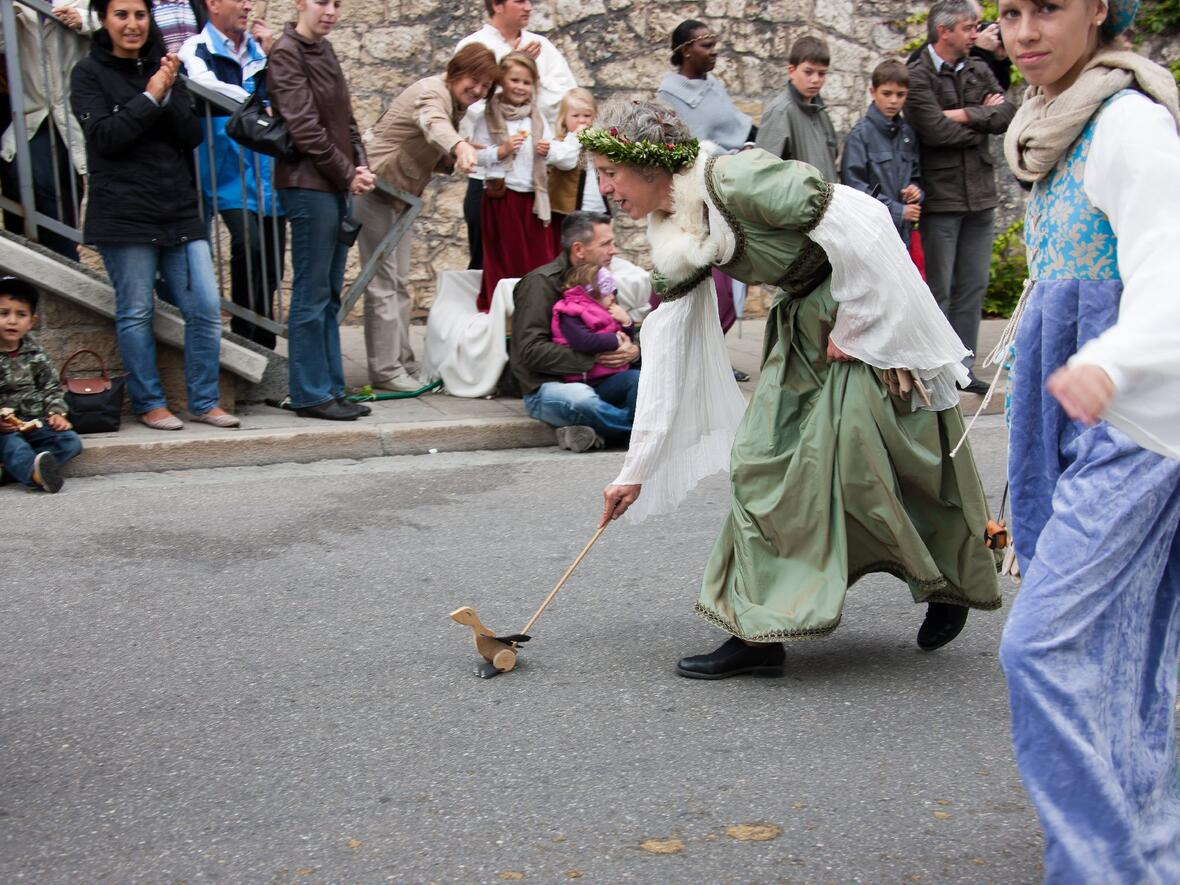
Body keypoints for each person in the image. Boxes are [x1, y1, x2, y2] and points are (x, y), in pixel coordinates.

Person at [583, 100, 1001, 677]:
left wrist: (859, 322)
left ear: (650, 165)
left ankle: (951, 583)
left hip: (863, 313)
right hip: (803, 330)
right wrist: (635, 469)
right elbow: (668, 346)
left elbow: (865, 220)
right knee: (760, 463)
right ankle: (758, 635)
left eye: (611, 172)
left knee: (890, 459)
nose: (605, 188)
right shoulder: (677, 228)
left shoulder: (735, 179)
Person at [994, 0, 1180, 879]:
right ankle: (1147, 848)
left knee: (1044, 646)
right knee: (1124, 651)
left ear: (1100, 9)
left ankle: (1103, 865)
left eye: (1049, 7)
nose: (1026, 31)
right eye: (1010, 11)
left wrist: (1112, 360)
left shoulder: (1128, 124)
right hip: (1080, 407)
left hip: (1136, 421)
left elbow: (1171, 269)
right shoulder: (1053, 121)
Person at [71, 0, 240, 431]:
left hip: (178, 209)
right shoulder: (88, 73)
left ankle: (204, 401)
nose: (132, 24)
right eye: (121, 15)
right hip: (124, 213)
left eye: (140, 15)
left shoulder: (166, 67)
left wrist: (168, 92)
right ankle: (150, 403)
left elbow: (190, 135)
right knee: (135, 312)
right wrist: (150, 97)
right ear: (104, 20)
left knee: (205, 307)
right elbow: (105, 138)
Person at [355, 43, 499, 392]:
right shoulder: (432, 92)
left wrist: (468, 149)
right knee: (383, 284)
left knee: (399, 282)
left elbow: (433, 143)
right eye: (474, 80)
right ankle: (386, 371)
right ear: (457, 71)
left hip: (399, 199)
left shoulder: (454, 104)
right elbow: (432, 123)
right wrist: (459, 146)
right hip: (374, 190)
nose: (478, 90)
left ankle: (401, 362)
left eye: (485, 86)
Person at [267, 0, 375, 421]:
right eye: (321, 2)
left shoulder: (323, 49)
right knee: (311, 294)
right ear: (300, 4)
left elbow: (346, 120)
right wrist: (348, 173)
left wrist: (359, 164)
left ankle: (331, 388)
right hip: (307, 184)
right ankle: (310, 393)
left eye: (336, 4)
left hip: (334, 183)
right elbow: (305, 129)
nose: (329, 11)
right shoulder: (286, 52)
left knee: (328, 293)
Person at [906, 0, 1016, 395]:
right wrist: (979, 117)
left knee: (973, 286)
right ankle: (938, 366)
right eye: (970, 28)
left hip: (980, 195)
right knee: (940, 288)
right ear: (944, 31)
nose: (977, 35)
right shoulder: (917, 75)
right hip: (942, 198)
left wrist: (960, 114)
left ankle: (963, 368)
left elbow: (1006, 114)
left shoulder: (978, 67)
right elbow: (933, 130)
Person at [179, 0, 284, 349]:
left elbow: (288, 95)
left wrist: (273, 53)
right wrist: (259, 106)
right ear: (212, 4)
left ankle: (262, 339)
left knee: (272, 264)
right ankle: (245, 335)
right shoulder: (196, 47)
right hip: (227, 172)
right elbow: (206, 86)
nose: (247, 6)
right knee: (248, 245)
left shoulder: (260, 50)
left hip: (268, 171)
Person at [455, 0, 577, 270]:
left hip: (534, 180)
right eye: (520, 0)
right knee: (488, 258)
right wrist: (509, 66)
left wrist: (527, 76)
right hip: (490, 179)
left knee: (536, 259)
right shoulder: (474, 45)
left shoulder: (543, 47)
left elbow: (566, 99)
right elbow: (469, 103)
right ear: (497, 5)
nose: (529, 7)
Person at [510, 211, 639, 453]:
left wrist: (632, 351)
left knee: (642, 381)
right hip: (550, 387)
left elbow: (615, 329)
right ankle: (642, 436)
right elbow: (530, 351)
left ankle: (596, 432)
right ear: (579, 249)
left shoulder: (601, 280)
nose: (614, 251)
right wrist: (593, 359)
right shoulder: (540, 283)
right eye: (606, 244)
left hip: (603, 380)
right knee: (582, 400)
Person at [0, 1, 93, 261]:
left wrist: (83, 19)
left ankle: (61, 262)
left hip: (75, 115)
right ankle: (50, 262)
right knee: (25, 178)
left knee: (63, 195)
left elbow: (117, 21)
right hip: (31, 114)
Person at [470, 51, 558, 313]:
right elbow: (475, 156)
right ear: (502, 81)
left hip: (534, 199)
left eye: (526, 82)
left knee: (538, 257)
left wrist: (548, 150)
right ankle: (505, 309)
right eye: (514, 80)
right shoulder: (487, 117)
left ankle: (536, 307)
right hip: (503, 197)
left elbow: (552, 151)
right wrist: (502, 150)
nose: (520, 87)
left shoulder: (537, 118)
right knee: (506, 257)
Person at [0, 277, 83, 493]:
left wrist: (56, 413)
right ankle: (35, 475)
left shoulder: (36, 354)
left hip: (35, 422)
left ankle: (11, 472)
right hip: (5, 429)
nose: (12, 321)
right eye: (4, 313)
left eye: (21, 315)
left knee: (70, 442)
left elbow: (51, 387)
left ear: (31, 321)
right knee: (13, 445)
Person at [840, 59, 923, 242]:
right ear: (873, 92)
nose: (893, 101)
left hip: (902, 233)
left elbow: (916, 176)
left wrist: (915, 191)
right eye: (886, 93)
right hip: (871, 233)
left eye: (900, 95)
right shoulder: (860, 135)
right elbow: (854, 189)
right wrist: (898, 211)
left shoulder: (907, 133)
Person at [656, 20, 755, 153]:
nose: (714, 52)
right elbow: (693, 147)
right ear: (686, 50)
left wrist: (749, 145)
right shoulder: (669, 96)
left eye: (714, 46)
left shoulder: (711, 83)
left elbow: (739, 126)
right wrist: (734, 157)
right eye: (707, 46)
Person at [754, 35, 839, 181]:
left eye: (822, 73)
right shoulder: (780, 112)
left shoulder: (821, 113)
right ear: (791, 71)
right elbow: (763, 174)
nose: (815, 80)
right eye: (808, 72)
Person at [550, 264, 639, 402]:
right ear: (593, 292)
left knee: (645, 379)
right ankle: (630, 416)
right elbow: (584, 342)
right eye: (608, 291)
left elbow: (627, 339)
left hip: (614, 374)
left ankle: (633, 414)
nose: (613, 297)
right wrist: (616, 339)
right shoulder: (570, 311)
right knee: (636, 380)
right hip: (591, 381)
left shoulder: (605, 309)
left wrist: (626, 322)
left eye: (614, 291)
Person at [547, 88, 608, 220]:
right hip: (567, 212)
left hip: (596, 207)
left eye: (587, 116)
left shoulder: (597, 143)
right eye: (575, 116)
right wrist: (576, 138)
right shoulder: (560, 143)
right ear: (564, 119)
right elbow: (566, 161)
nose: (582, 121)